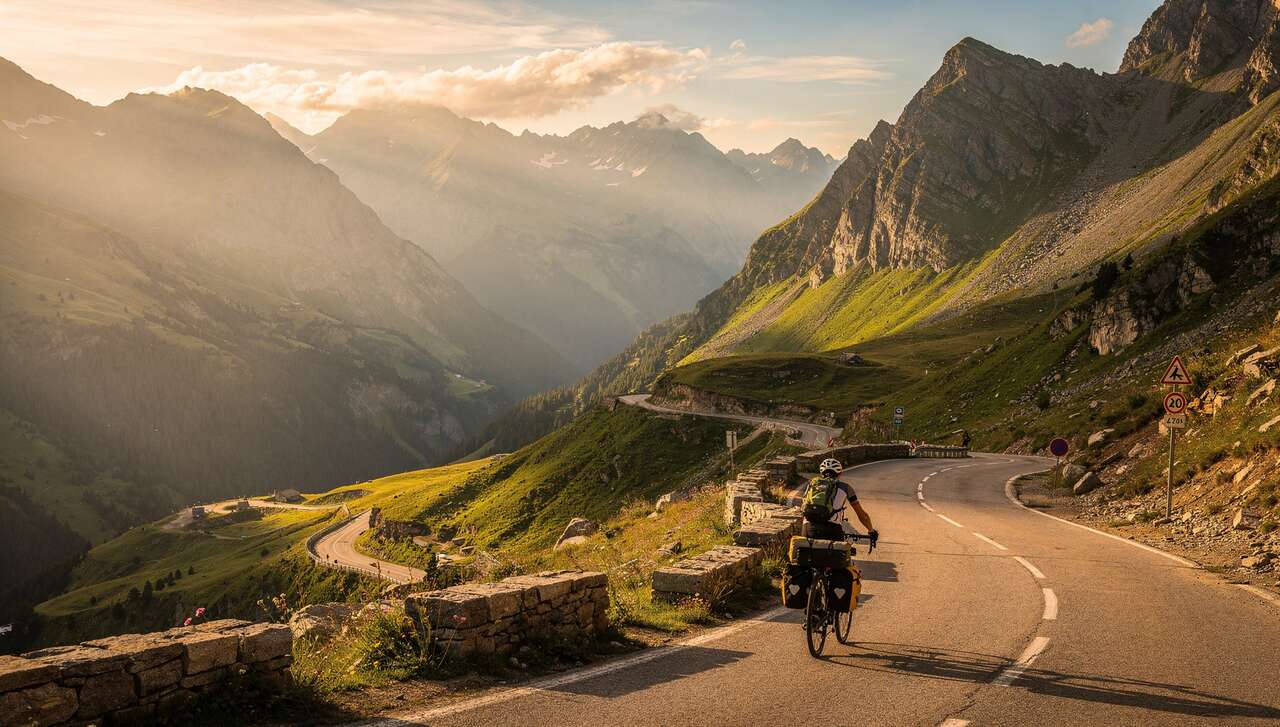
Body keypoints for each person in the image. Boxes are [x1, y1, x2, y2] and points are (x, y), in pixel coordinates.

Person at [802, 458, 877, 545]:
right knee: (840, 555)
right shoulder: (846, 488)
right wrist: (871, 531)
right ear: (840, 473)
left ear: (821, 473)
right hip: (833, 530)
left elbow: (803, 508)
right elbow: (861, 515)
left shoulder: (811, 485)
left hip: (808, 528)